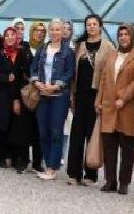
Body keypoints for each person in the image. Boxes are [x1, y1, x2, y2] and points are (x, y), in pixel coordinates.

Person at [96, 23, 134, 195]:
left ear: (132, 36)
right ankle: (110, 181)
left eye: (126, 34)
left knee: (127, 146)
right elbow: (103, 78)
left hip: (127, 108)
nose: (123, 37)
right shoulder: (112, 54)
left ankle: (124, 182)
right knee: (109, 145)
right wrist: (99, 100)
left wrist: (123, 98)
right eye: (121, 34)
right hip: (109, 106)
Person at [66, 14, 114, 185]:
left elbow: (109, 75)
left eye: (94, 24)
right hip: (80, 95)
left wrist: (103, 99)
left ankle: (91, 174)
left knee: (92, 134)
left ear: (100, 26)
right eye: (88, 24)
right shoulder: (80, 45)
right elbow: (74, 74)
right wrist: (72, 95)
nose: (91, 27)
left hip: (96, 96)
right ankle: (73, 173)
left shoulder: (108, 47)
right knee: (76, 134)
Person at [30, 18, 75, 182]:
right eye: (53, 29)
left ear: (62, 31)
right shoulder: (42, 49)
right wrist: (36, 82)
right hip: (42, 96)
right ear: (49, 31)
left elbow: (69, 72)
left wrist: (56, 86)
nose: (55, 32)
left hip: (58, 97)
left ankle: (51, 167)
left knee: (56, 132)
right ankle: (48, 163)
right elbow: (33, 68)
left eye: (58, 29)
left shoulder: (67, 52)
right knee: (43, 131)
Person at [0, 26, 29, 170]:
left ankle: (14, 156)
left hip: (17, 94)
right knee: (3, 127)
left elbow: (26, 72)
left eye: (13, 34)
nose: (10, 37)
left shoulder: (21, 53)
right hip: (3, 95)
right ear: (4, 38)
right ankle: (1, 157)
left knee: (15, 126)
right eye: (7, 35)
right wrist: (6, 78)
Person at [23, 21, 47, 173]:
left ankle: (37, 162)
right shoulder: (24, 48)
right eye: (37, 30)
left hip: (42, 92)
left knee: (40, 128)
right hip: (27, 92)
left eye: (42, 31)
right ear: (31, 32)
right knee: (25, 127)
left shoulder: (46, 49)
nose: (39, 33)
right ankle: (24, 159)